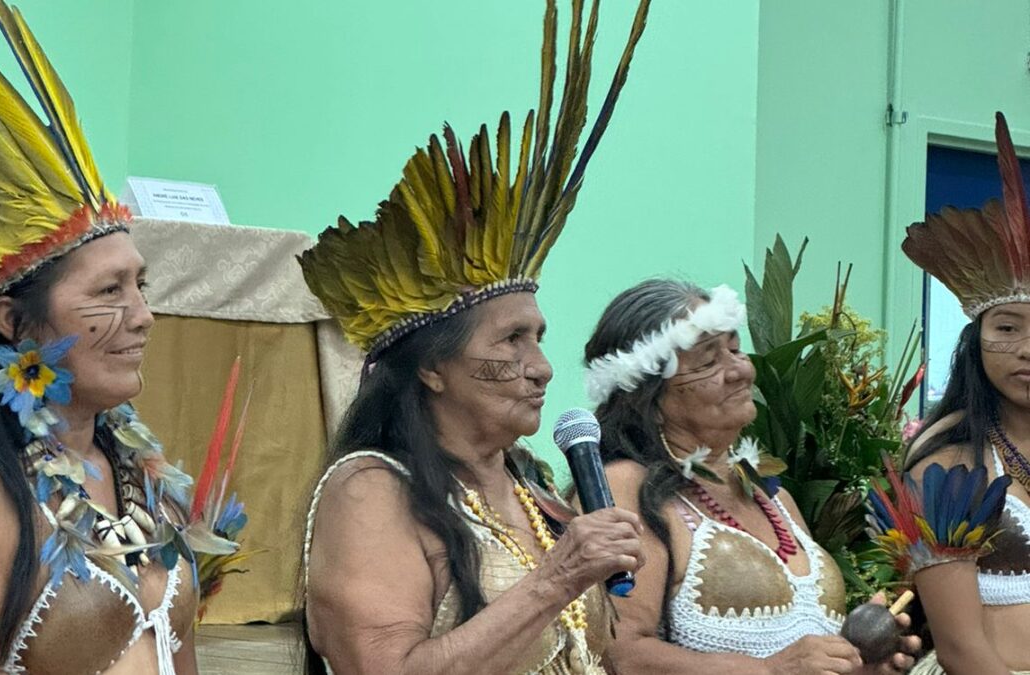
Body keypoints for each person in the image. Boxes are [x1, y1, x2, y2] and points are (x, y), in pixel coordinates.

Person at [298, 1, 652, 672]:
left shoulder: (530, 483)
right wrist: (556, 578)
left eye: (540, 337)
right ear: (433, 367)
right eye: (510, 340)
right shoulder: (372, 489)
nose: (541, 366)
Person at [0, 3, 212, 672]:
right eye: (107, 291)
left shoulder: (143, 473)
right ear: (12, 322)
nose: (143, 315)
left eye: (140, 285)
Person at [582, 279, 920, 674]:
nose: (740, 370)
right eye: (708, 361)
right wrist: (771, 670)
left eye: (735, 348)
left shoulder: (772, 495)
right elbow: (617, 655)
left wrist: (857, 663)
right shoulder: (625, 488)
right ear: (650, 399)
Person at [898, 112, 1030, 675]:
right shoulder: (946, 467)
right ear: (975, 343)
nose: (1027, 348)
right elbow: (959, 649)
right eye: (1007, 328)